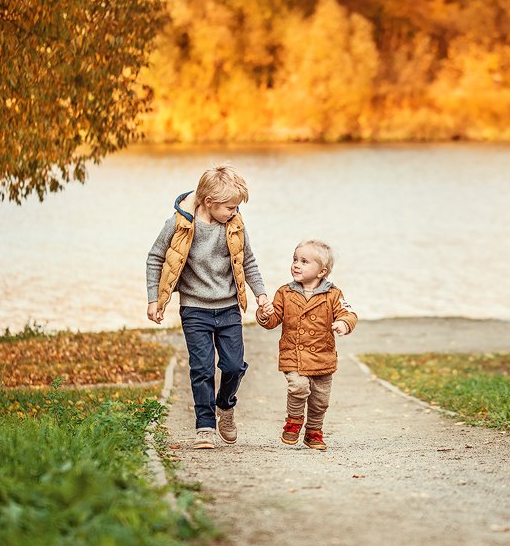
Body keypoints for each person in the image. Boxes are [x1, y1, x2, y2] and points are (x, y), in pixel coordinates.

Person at [146, 164, 272, 450]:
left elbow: (248, 261)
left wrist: (261, 295)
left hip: (228, 308)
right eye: (230, 207)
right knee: (201, 368)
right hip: (195, 309)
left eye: (237, 207)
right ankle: (205, 426)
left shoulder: (235, 225)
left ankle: (225, 407)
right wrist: (155, 299)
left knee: (234, 366)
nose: (234, 212)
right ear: (209, 202)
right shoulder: (178, 226)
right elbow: (155, 258)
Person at [256, 240, 357, 451]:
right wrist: (265, 314)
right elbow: (274, 319)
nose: (296, 265)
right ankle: (293, 422)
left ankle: (313, 432)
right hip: (294, 354)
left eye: (304, 261)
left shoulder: (333, 294)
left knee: (320, 401)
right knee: (298, 386)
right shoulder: (285, 292)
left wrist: (343, 323)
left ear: (322, 271)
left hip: (322, 357)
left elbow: (349, 313)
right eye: (295, 260)